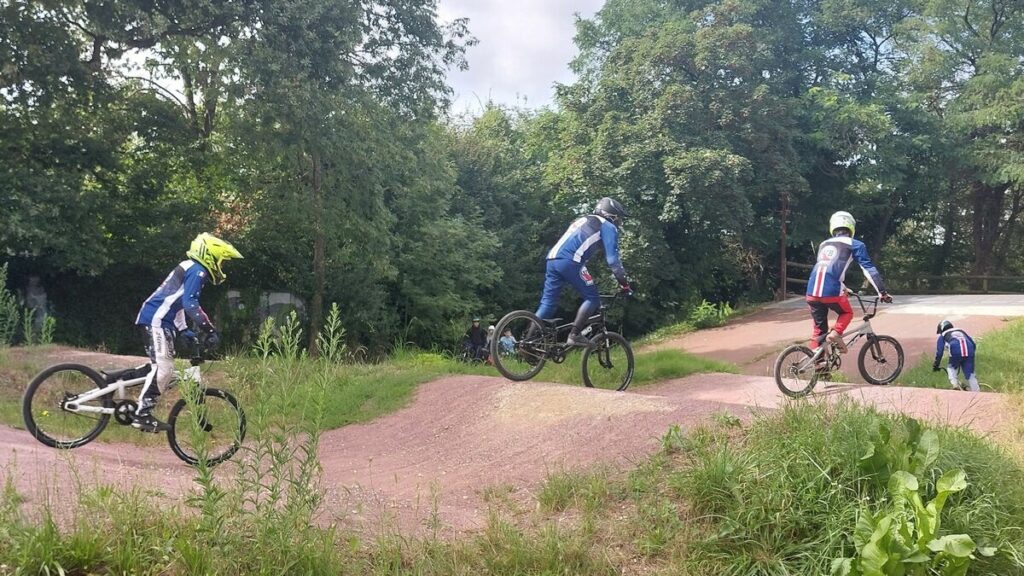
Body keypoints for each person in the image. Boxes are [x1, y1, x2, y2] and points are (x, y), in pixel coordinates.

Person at [133, 233, 243, 431]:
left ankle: (120, 379)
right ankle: (142, 414)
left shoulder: (189, 267)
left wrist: (184, 330)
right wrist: (209, 330)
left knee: (160, 365)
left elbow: (176, 303)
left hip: (158, 319)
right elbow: (190, 303)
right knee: (164, 368)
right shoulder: (198, 270)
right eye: (222, 261)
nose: (222, 266)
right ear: (210, 255)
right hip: (156, 320)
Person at [536, 197, 632, 347]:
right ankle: (574, 335)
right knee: (593, 298)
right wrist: (625, 285)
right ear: (610, 215)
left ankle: (527, 342)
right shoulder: (607, 225)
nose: (619, 221)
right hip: (571, 261)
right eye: (618, 217)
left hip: (552, 260)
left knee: (547, 304)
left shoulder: (584, 219)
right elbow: (613, 261)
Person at [805, 211, 891, 354]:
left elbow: (826, 270)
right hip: (831, 291)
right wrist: (882, 292)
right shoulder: (855, 244)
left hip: (811, 291)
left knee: (819, 331)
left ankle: (820, 367)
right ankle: (836, 334)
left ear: (833, 227)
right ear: (851, 227)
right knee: (847, 312)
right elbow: (868, 269)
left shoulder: (824, 244)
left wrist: (844, 287)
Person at [933, 320, 979, 392]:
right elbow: (973, 344)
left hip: (955, 349)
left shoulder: (943, 335)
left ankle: (955, 385)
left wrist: (936, 365)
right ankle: (977, 392)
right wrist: (970, 355)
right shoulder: (961, 331)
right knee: (970, 374)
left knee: (951, 368)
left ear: (942, 329)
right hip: (970, 350)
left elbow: (939, 352)